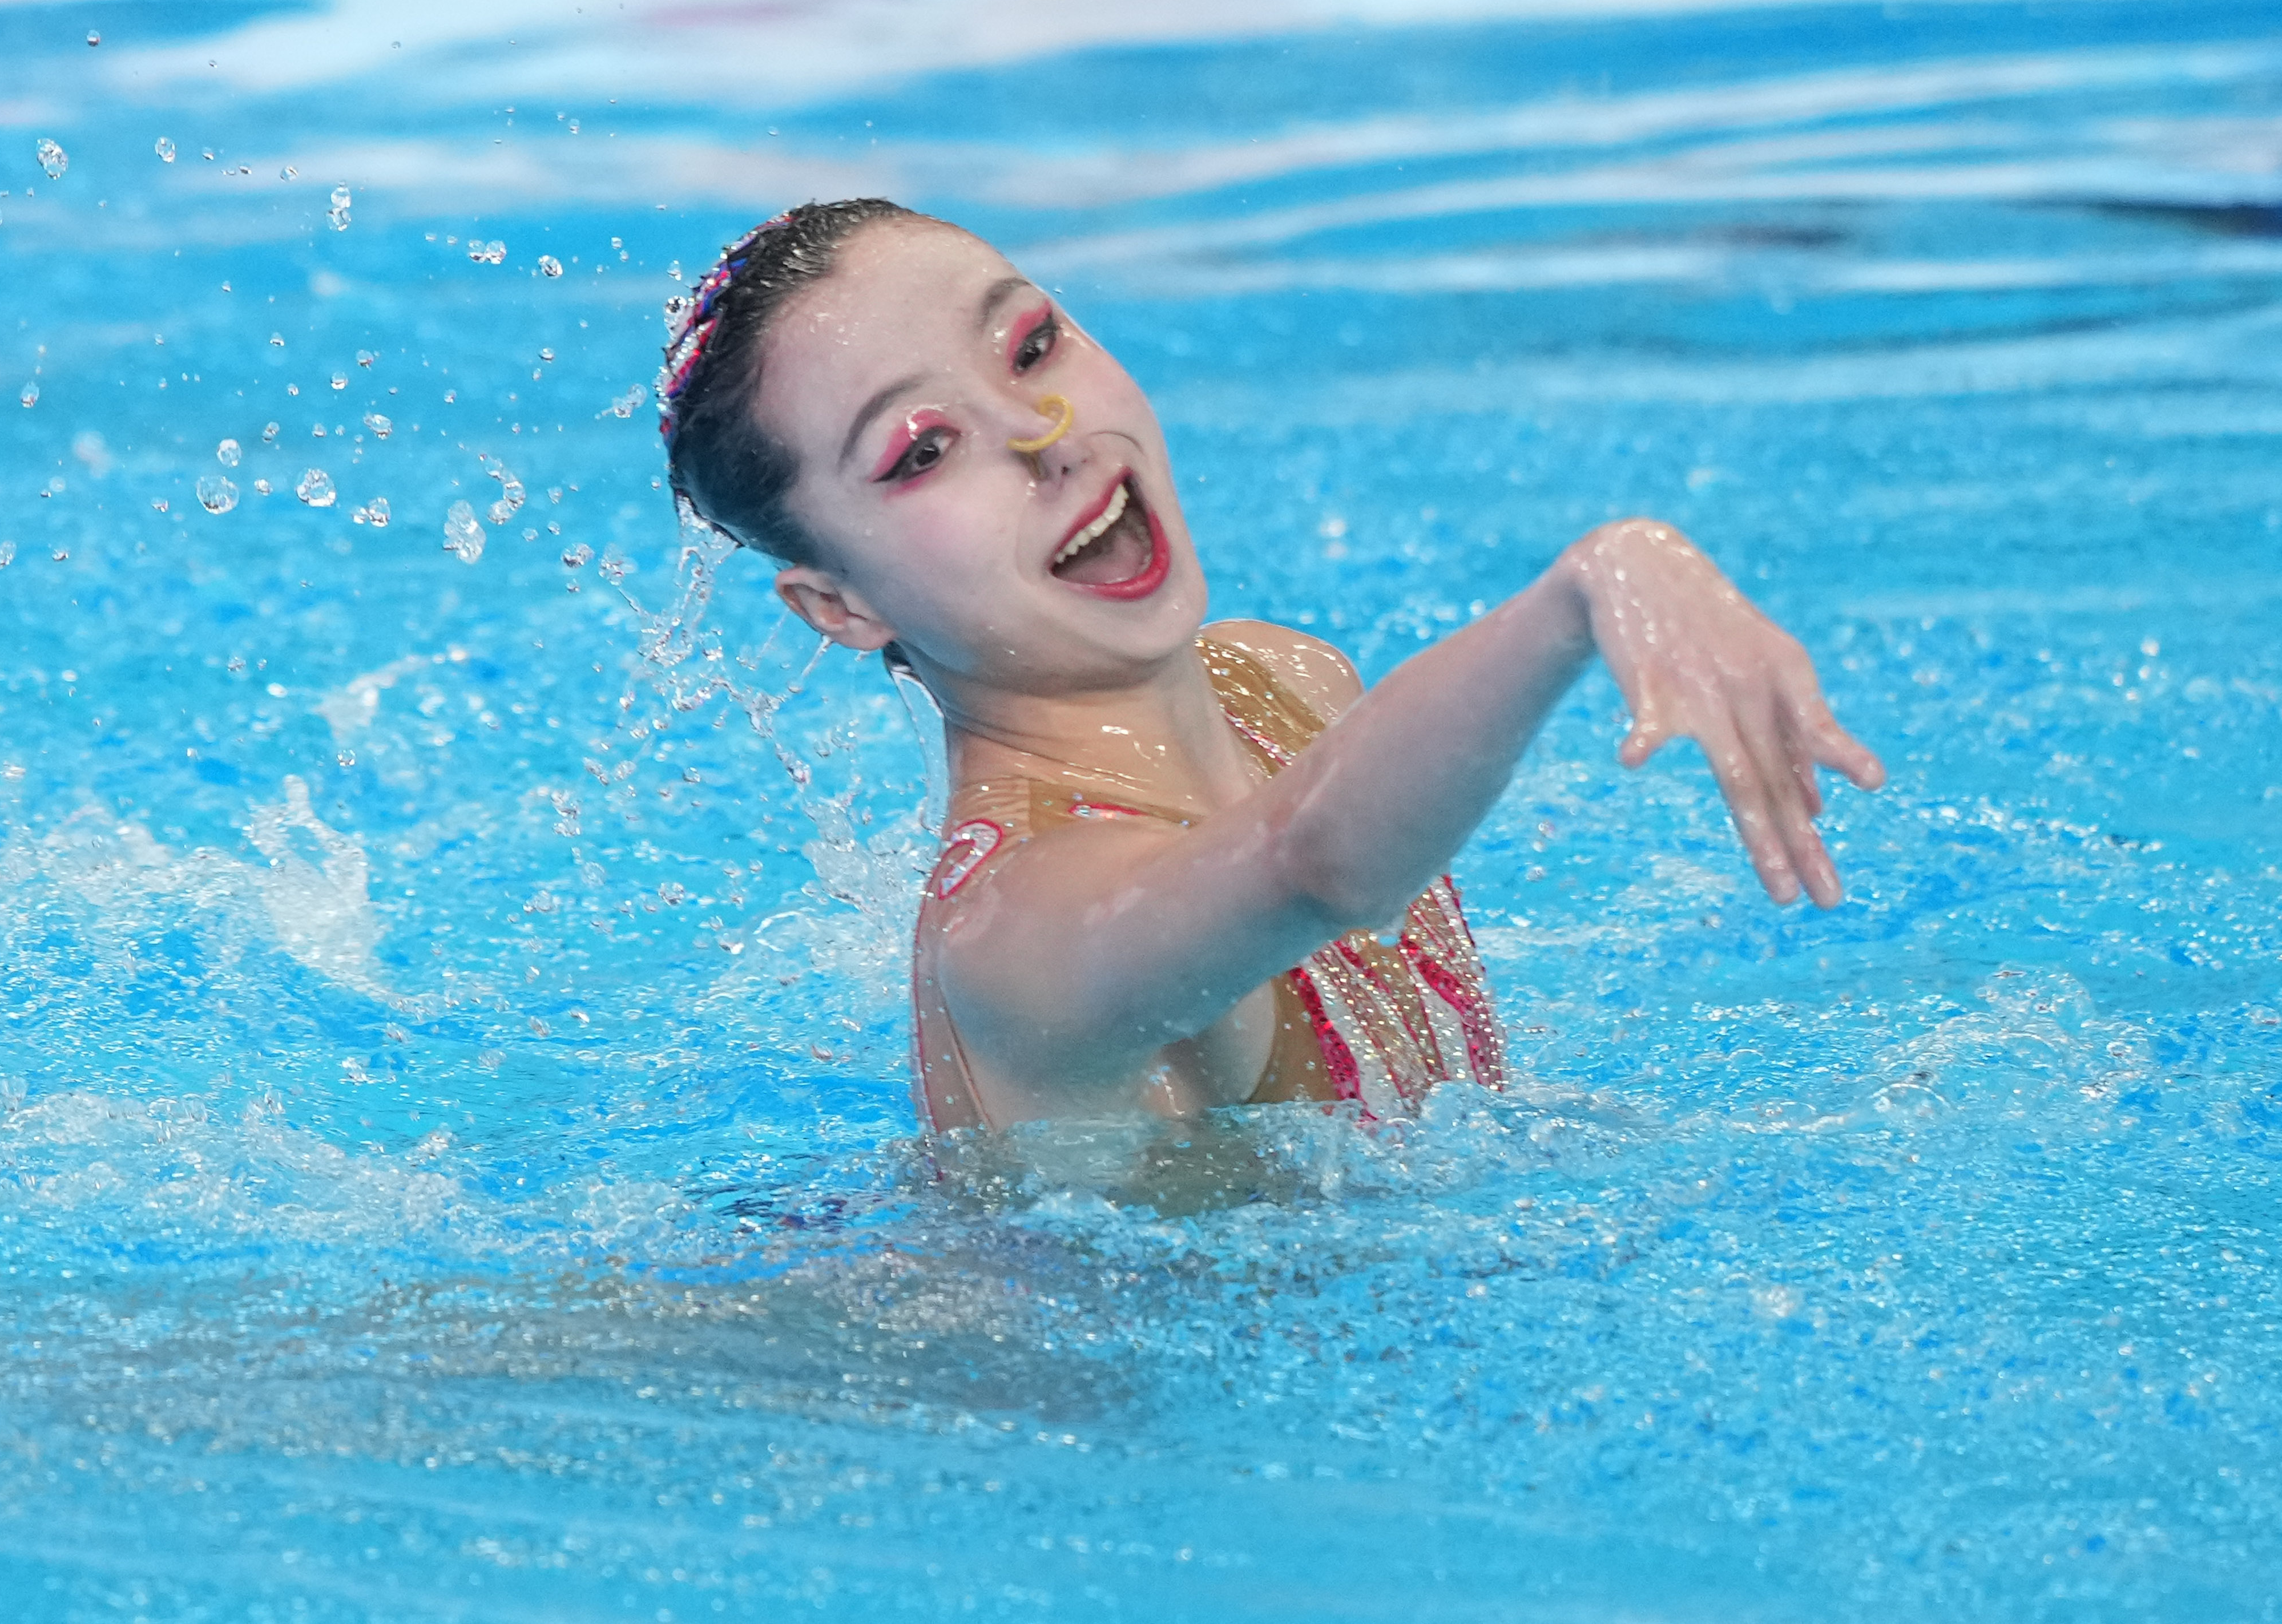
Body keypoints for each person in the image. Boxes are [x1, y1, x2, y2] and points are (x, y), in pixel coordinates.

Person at [659, 200, 1884, 1137]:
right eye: (922, 451)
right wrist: (1589, 589)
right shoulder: (1015, 936)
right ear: (841, 604)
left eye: (1031, 347)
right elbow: (1314, 863)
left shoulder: (1282, 679)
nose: (1044, 436)